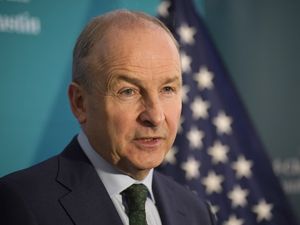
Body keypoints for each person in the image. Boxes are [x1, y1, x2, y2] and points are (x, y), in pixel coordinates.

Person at [0, 10, 216, 225]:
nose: (155, 116)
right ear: (80, 103)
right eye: (128, 91)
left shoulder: (197, 212)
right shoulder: (21, 204)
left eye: (167, 89)